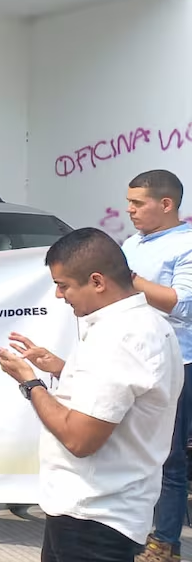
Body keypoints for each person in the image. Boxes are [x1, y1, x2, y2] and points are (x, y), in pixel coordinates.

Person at [0, 228, 181, 562]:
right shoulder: (146, 323)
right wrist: (62, 369)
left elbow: (79, 439)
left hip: (94, 516)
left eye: (63, 285)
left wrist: (30, 383)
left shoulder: (119, 337)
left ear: (97, 281)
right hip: (95, 510)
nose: (59, 295)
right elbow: (122, 395)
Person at [116, 170, 192, 562]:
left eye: (137, 203)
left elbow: (182, 304)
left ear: (166, 204)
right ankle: (133, 531)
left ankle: (165, 544)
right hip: (131, 357)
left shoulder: (187, 244)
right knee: (133, 451)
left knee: (168, 458)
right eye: (128, 202)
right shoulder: (131, 243)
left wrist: (128, 278)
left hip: (176, 363)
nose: (130, 210)